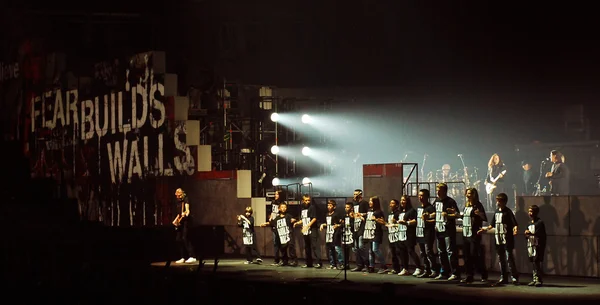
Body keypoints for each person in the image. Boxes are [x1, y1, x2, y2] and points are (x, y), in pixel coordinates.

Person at [478, 192, 519, 286]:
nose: (497, 203)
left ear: (504, 202)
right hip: (498, 238)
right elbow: (492, 224)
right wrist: (485, 229)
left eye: (499, 201)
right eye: (497, 201)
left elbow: (514, 223)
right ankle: (503, 277)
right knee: (501, 258)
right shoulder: (496, 212)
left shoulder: (508, 212)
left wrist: (515, 229)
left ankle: (514, 277)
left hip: (507, 238)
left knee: (509, 258)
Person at [432, 183, 460, 281]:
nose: (437, 192)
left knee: (450, 251)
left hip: (448, 230)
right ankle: (444, 272)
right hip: (439, 230)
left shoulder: (450, 201)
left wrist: (448, 215)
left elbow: (457, 214)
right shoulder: (436, 201)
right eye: (437, 190)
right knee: (441, 252)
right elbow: (434, 213)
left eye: (439, 190)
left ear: (444, 191)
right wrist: (429, 216)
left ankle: (455, 272)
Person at [460, 188, 488, 284]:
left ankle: (483, 274)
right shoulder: (466, 205)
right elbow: (464, 217)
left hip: (474, 233)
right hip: (465, 233)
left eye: (470, 194)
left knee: (474, 255)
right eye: (467, 193)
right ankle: (469, 276)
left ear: (474, 195)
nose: (468, 195)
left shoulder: (478, 205)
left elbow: (484, 218)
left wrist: (479, 214)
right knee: (466, 256)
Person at [396, 195, 423, 276]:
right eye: (401, 200)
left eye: (404, 200)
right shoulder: (400, 212)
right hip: (401, 234)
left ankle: (418, 267)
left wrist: (407, 222)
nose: (402, 202)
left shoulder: (411, 211)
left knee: (411, 251)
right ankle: (405, 268)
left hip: (409, 235)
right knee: (402, 252)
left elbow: (415, 221)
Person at [415, 189, 439, 278]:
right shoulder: (419, 208)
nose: (420, 197)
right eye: (419, 195)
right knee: (422, 252)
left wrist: (427, 220)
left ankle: (434, 270)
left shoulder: (430, 208)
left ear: (426, 197)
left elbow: (434, 220)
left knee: (428, 251)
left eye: (422, 196)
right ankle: (426, 270)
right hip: (420, 232)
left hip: (428, 233)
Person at [295, 194, 322, 268]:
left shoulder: (312, 207)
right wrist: (297, 222)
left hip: (312, 229)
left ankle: (319, 262)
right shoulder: (303, 208)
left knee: (315, 246)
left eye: (308, 200)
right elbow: (303, 219)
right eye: (306, 200)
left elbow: (314, 218)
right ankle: (308, 263)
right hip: (305, 230)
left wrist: (307, 226)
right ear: (303, 201)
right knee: (307, 246)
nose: (307, 202)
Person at [173, 188, 197, 264]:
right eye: (177, 195)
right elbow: (178, 213)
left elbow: (187, 210)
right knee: (178, 239)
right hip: (181, 222)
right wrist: (175, 220)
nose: (178, 197)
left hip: (186, 221)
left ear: (182, 194)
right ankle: (182, 257)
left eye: (179, 195)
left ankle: (192, 256)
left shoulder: (186, 199)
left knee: (185, 238)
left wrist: (186, 213)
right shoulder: (177, 201)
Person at [524, 204, 546, 287]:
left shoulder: (540, 223)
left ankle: (538, 279)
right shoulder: (529, 223)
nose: (530, 213)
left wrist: (531, 234)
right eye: (529, 211)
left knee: (537, 262)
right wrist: (526, 234)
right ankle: (534, 278)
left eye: (531, 211)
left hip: (537, 245)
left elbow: (541, 235)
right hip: (530, 244)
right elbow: (527, 235)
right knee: (533, 262)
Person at [320, 200, 343, 269]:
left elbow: (341, 223)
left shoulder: (336, 214)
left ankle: (341, 263)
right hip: (329, 233)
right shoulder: (327, 214)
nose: (329, 207)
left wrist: (338, 225)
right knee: (330, 249)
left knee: (337, 248)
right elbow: (328, 223)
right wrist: (323, 225)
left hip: (335, 233)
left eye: (330, 205)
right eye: (328, 205)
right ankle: (333, 264)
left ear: (334, 207)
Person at [351, 189, 370, 272]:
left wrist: (362, 215)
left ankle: (367, 264)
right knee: (356, 248)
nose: (355, 196)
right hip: (355, 227)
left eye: (356, 194)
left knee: (361, 246)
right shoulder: (354, 204)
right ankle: (359, 265)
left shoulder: (364, 203)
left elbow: (369, 213)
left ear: (360, 195)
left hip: (362, 227)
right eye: (354, 194)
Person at [268, 190, 285, 266]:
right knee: (275, 242)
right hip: (274, 224)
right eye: (275, 194)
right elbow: (272, 212)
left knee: (281, 242)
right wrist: (270, 218)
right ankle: (276, 259)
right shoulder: (273, 202)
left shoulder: (282, 203)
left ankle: (284, 259)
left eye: (277, 194)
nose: (275, 195)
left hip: (280, 224)